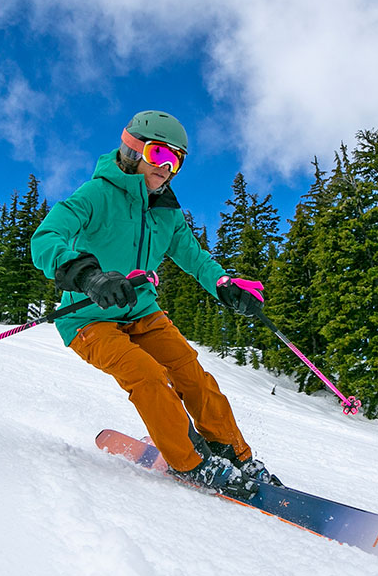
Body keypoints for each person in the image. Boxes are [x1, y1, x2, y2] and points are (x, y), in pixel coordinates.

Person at [30, 110, 279, 500]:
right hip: (89, 317)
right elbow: (46, 238)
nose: (166, 168)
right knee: (146, 373)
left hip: (142, 311)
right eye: (158, 154)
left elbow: (194, 257)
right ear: (132, 151)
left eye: (175, 160)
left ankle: (233, 452)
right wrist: (90, 277)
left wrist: (224, 285)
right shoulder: (96, 195)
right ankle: (190, 462)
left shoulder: (166, 211)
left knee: (191, 373)